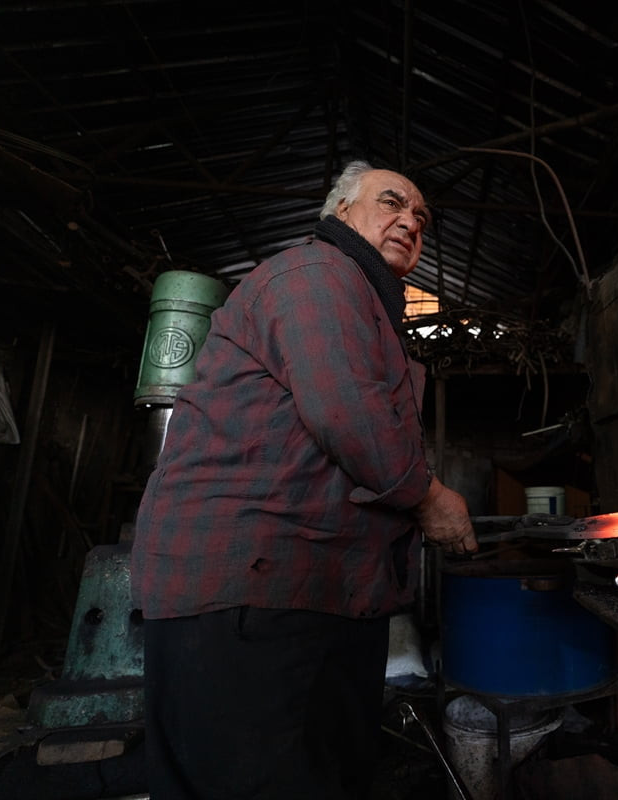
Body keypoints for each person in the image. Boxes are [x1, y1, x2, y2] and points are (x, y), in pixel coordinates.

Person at [130, 160, 478, 799]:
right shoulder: (319, 275)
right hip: (251, 592)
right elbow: (348, 412)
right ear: (341, 212)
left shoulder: (360, 297)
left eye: (421, 218)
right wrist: (429, 497)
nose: (410, 221)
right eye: (392, 202)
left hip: (299, 592)